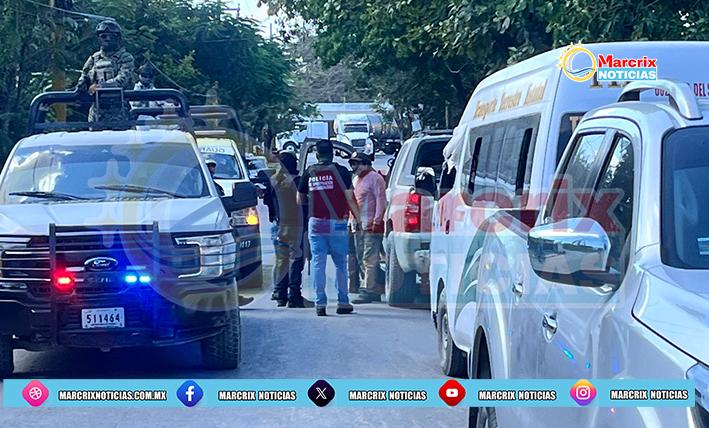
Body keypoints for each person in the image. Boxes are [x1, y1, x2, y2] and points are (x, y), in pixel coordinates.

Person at [297, 140, 356, 316]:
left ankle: (320, 303)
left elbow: (300, 198)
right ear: (333, 154)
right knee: (341, 263)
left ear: (317, 155)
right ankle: (343, 301)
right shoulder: (342, 172)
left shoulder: (310, 172)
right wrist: (357, 218)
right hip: (337, 221)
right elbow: (350, 197)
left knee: (318, 263)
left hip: (316, 222)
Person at [264, 151, 313, 308]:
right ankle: (294, 296)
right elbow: (306, 203)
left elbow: (267, 201)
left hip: (280, 225)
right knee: (296, 261)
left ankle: (280, 294)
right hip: (297, 226)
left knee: (281, 260)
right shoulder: (298, 181)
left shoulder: (274, 181)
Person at [206, 157, 253, 307]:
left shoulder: (215, 187)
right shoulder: (195, 186)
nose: (211, 169)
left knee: (230, 265)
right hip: (206, 234)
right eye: (207, 166)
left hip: (221, 231)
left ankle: (232, 296)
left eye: (212, 166)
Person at [76, 20, 135, 122]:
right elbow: (83, 77)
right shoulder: (94, 58)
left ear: (118, 38)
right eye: (104, 36)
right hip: (97, 110)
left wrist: (101, 87)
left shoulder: (125, 58)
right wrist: (84, 86)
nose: (108, 39)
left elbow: (122, 79)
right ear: (99, 38)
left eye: (112, 36)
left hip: (118, 108)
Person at [349, 152, 386, 304]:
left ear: (366, 164)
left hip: (371, 224)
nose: (354, 167)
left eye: (357, 163)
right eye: (353, 163)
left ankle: (368, 289)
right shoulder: (356, 179)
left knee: (369, 258)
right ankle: (372, 287)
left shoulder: (375, 178)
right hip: (358, 225)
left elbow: (380, 200)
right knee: (360, 257)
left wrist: (377, 221)